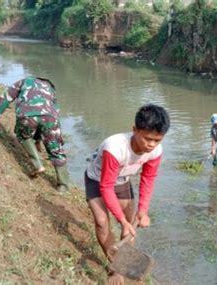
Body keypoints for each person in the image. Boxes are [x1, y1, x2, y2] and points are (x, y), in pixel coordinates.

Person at [85, 104, 170, 284]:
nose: (151, 145)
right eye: (147, 138)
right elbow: (106, 186)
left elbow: (148, 178)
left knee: (130, 226)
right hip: (97, 179)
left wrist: (143, 210)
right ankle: (115, 268)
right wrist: (121, 221)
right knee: (102, 222)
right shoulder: (115, 148)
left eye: (157, 140)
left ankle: (123, 267)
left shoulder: (155, 151)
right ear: (134, 130)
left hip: (122, 180)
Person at [0, 76, 70, 192]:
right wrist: (57, 139)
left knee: (23, 135)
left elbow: (5, 99)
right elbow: (55, 113)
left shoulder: (23, 82)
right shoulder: (50, 90)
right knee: (56, 150)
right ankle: (63, 187)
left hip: (26, 115)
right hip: (50, 118)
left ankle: (38, 165)